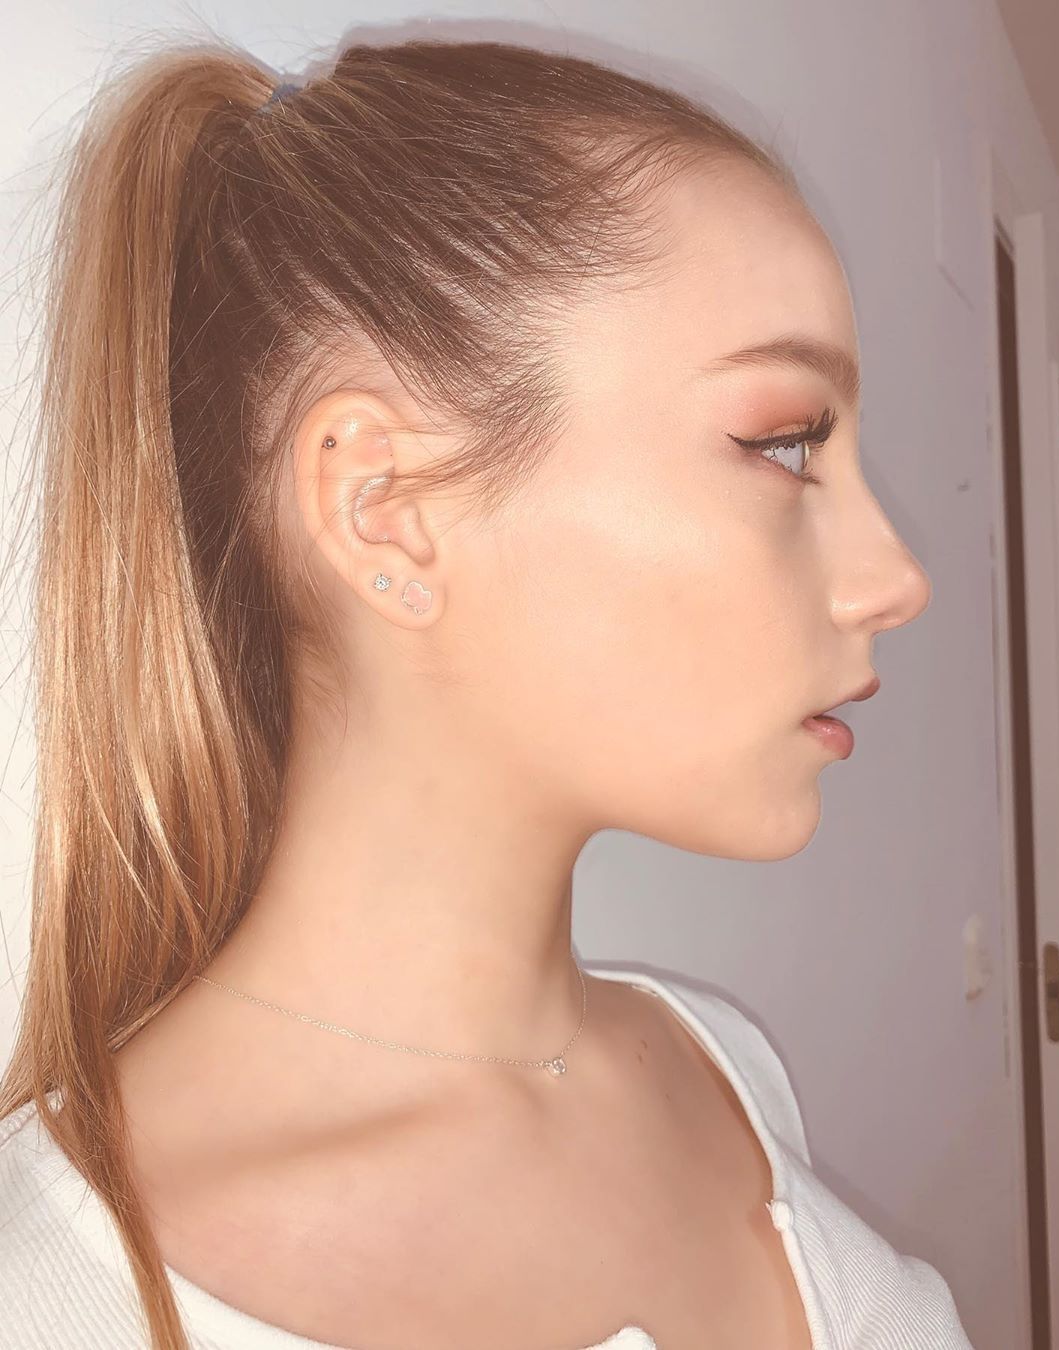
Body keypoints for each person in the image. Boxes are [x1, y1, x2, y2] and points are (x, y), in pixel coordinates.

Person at [0, 32, 974, 1350]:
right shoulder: (49, 1298)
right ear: (386, 508)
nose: (897, 578)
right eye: (784, 444)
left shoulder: (723, 1066)